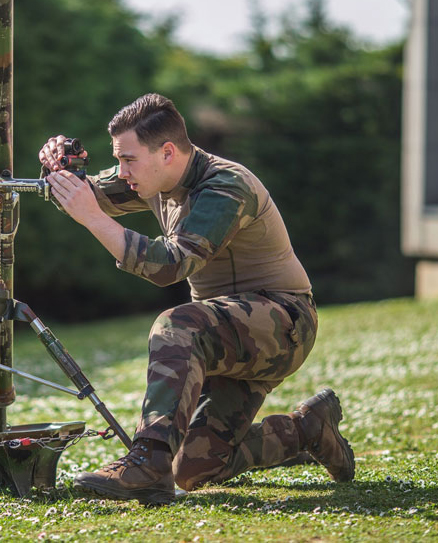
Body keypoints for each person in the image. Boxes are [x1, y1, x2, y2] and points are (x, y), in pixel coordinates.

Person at [39, 93, 354, 505]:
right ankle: (308, 429)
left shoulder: (224, 186)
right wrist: (60, 168)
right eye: (120, 160)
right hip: (222, 335)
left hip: (284, 323)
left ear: (167, 152)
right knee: (194, 468)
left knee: (176, 325)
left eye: (128, 160)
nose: (121, 171)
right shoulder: (151, 177)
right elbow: (85, 197)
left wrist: (92, 216)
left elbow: (171, 264)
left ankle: (148, 461)